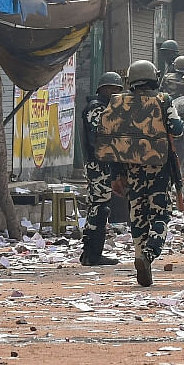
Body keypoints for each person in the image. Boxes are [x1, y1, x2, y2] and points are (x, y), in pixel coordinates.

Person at [99, 60, 184, 286]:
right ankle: (148, 254)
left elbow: (112, 139)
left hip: (131, 170)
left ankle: (138, 254)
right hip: (159, 170)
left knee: (137, 215)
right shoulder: (164, 100)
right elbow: (177, 128)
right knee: (160, 215)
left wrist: (116, 174)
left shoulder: (119, 103)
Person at [78, 72, 124, 267]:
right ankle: (93, 254)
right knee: (99, 208)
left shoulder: (105, 108)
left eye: (118, 90)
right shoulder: (96, 109)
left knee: (98, 208)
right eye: (113, 90)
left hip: (103, 164)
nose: (116, 94)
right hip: (99, 165)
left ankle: (89, 253)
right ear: (103, 89)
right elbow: (99, 139)